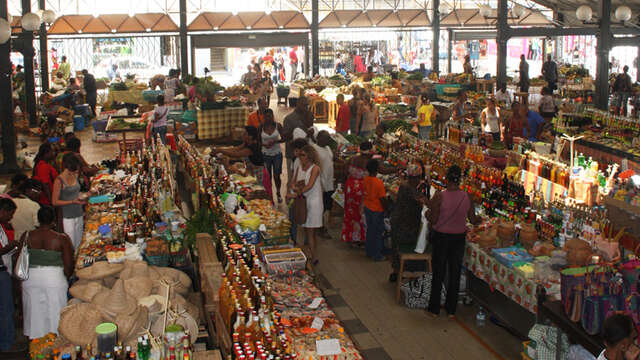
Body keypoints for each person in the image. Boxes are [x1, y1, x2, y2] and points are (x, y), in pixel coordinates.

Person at [427, 165, 480, 318]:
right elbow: (473, 219)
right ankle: (451, 310)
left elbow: (434, 218)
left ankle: (434, 309)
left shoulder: (440, 196)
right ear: (460, 180)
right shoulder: (467, 196)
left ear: (446, 178)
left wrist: (427, 215)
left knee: (439, 272)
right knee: (455, 272)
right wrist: (480, 221)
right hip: (458, 238)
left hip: (441, 237)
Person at [20, 206, 73, 340]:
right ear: (53, 220)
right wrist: (65, 277)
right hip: (54, 277)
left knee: (34, 312)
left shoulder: (27, 236)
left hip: (31, 278)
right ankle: (56, 341)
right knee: (56, 311)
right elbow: (68, 264)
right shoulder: (61, 238)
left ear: (38, 219)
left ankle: (35, 343)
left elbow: (20, 258)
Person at [389, 161, 426, 282]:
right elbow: (423, 201)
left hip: (397, 223)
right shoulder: (410, 189)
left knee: (396, 248)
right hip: (405, 228)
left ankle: (396, 271)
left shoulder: (404, 185)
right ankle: (410, 273)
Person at [287, 145, 322, 264]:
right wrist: (293, 188)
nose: (300, 157)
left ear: (309, 156)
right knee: (307, 229)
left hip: (313, 202)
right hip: (303, 201)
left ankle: (314, 255)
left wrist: (296, 193)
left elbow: (310, 185)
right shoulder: (299, 167)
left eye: (303, 155)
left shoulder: (315, 168)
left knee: (310, 230)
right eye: (300, 155)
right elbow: (293, 182)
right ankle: (311, 253)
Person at [52, 154, 86, 250]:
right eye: (74, 170)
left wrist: (85, 195)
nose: (76, 172)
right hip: (68, 217)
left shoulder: (75, 175)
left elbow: (76, 192)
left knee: (79, 244)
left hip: (79, 213)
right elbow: (55, 202)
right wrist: (72, 201)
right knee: (71, 245)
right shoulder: (59, 181)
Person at [341, 142, 372, 246]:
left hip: (350, 187)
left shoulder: (352, 159)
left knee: (350, 213)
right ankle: (360, 238)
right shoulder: (369, 162)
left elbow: (344, 171)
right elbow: (382, 170)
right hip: (362, 189)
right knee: (360, 213)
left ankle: (350, 237)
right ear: (370, 150)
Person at [0, 198, 17, 352]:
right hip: (1, 273)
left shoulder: (2, 226)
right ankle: (7, 344)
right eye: (9, 214)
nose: (10, 218)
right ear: (2, 211)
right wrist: (8, 248)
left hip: (4, 269)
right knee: (6, 309)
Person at [363, 159, 387, 261]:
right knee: (378, 233)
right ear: (377, 169)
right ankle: (377, 255)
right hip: (377, 209)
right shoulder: (379, 182)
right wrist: (386, 208)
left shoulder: (365, 179)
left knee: (370, 230)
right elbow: (382, 199)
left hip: (367, 207)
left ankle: (369, 251)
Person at [313, 131, 335, 239]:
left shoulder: (327, 148)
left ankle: (322, 225)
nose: (328, 140)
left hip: (329, 182)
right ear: (319, 138)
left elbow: (330, 160)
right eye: (326, 138)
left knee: (327, 206)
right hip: (320, 183)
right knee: (321, 206)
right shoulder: (314, 150)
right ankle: (320, 228)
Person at [7, 176, 40, 243]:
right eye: (37, 190)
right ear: (27, 190)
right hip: (31, 243)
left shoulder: (11, 202)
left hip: (15, 242)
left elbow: (8, 225)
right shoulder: (34, 205)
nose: (39, 194)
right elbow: (38, 225)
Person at [282, 96, 309, 177]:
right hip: (292, 155)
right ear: (298, 104)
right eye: (304, 105)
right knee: (292, 179)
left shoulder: (307, 117)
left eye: (307, 105)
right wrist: (296, 131)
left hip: (305, 155)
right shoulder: (289, 119)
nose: (305, 108)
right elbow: (285, 137)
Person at [261, 112, 284, 203]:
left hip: (277, 154)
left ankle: (278, 192)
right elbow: (258, 140)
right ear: (264, 117)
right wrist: (264, 145)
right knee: (268, 176)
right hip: (265, 154)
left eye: (270, 116)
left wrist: (275, 142)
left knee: (277, 175)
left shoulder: (278, 126)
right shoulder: (261, 127)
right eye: (266, 117)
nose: (268, 119)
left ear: (273, 117)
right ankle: (269, 195)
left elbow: (284, 138)